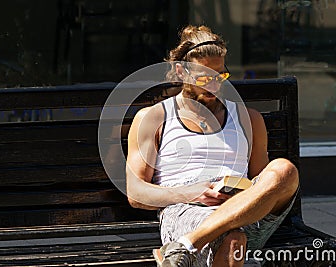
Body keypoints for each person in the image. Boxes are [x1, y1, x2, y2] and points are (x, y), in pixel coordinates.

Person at [125, 25, 299, 267]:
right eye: (204, 78)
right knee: (233, 240)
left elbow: (262, 184)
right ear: (181, 72)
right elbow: (135, 194)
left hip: (245, 213)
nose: (214, 85)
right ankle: (191, 241)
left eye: (220, 76)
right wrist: (192, 193)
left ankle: (184, 246)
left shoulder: (249, 119)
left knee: (284, 170)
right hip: (186, 211)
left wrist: (243, 193)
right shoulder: (154, 118)